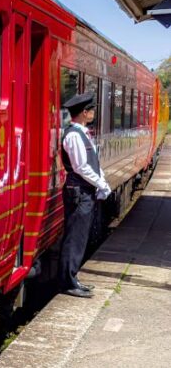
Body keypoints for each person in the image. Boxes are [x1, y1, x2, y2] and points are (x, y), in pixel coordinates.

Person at [58, 92, 110, 298]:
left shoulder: (82, 133)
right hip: (79, 191)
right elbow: (80, 166)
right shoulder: (73, 135)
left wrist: (101, 180)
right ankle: (67, 282)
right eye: (91, 111)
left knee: (80, 236)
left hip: (84, 190)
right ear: (84, 113)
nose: (93, 114)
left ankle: (72, 277)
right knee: (74, 237)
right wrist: (101, 184)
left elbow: (92, 164)